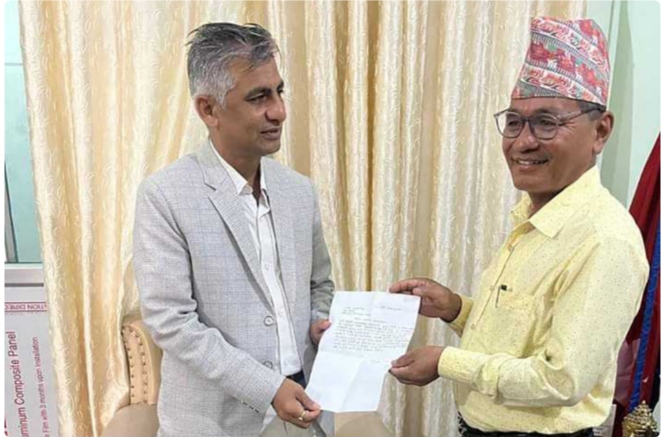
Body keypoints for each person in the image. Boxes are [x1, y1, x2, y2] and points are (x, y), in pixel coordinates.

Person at [389, 17, 649, 437]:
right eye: (514, 122)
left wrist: (445, 361)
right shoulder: (531, 219)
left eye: (547, 123)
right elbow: (522, 336)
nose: (523, 141)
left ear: (600, 131)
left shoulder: (605, 240)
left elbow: (560, 379)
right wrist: (454, 308)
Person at [133, 22, 334, 437]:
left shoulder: (299, 191)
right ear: (208, 109)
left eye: (279, 91)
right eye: (259, 97)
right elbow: (171, 321)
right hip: (214, 423)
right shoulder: (165, 195)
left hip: (306, 411)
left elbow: (320, 284)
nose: (278, 111)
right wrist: (267, 387)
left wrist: (318, 322)